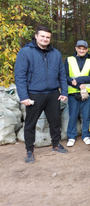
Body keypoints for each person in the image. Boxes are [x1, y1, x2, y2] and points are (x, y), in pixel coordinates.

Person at [14, 25, 68, 163]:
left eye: (48, 37)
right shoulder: (25, 52)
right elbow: (20, 76)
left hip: (53, 93)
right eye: (42, 36)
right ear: (36, 36)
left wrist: (64, 91)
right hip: (34, 94)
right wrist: (24, 96)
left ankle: (56, 144)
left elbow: (62, 74)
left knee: (55, 121)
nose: (45, 39)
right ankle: (29, 150)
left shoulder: (55, 53)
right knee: (30, 123)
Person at [64, 40, 90, 147]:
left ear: (87, 50)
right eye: (80, 48)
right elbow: (65, 76)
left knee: (86, 116)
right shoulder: (69, 60)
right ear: (76, 48)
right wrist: (77, 85)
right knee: (72, 116)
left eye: (84, 48)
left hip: (88, 93)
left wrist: (78, 80)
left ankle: (86, 135)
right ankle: (71, 136)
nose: (81, 50)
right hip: (73, 93)